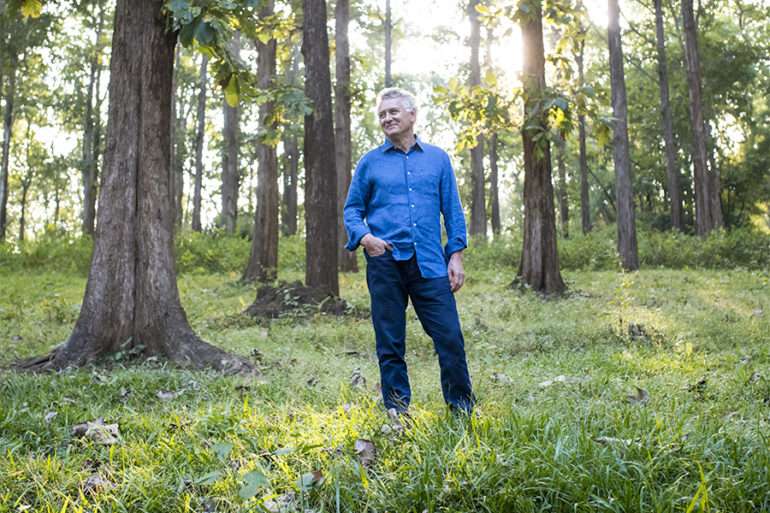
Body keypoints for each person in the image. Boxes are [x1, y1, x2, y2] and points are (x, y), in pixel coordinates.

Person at [343, 87, 474, 416]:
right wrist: (365, 238)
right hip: (384, 262)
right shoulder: (370, 163)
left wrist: (455, 255)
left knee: (450, 338)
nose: (386, 118)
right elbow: (351, 211)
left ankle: (462, 410)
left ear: (412, 115)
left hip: (430, 263)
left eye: (393, 112)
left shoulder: (437, 159)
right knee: (390, 342)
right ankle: (397, 412)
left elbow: (453, 211)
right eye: (382, 115)